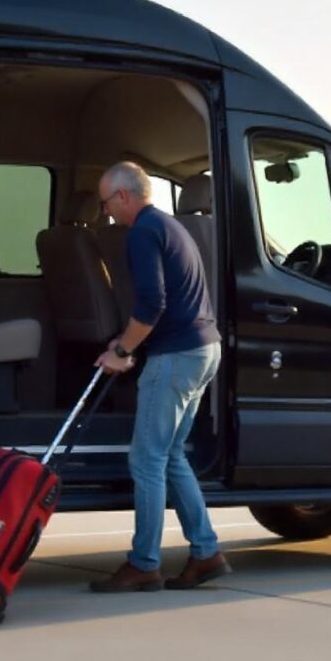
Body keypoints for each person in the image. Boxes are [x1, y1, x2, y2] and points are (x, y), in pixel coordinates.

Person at [90, 161, 229, 593]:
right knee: (171, 456)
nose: (106, 212)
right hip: (205, 349)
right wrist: (124, 344)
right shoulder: (172, 226)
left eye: (106, 203)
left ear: (124, 196)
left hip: (176, 357)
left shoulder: (143, 233)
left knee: (146, 458)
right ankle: (205, 553)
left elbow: (151, 304)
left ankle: (143, 563)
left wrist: (124, 350)